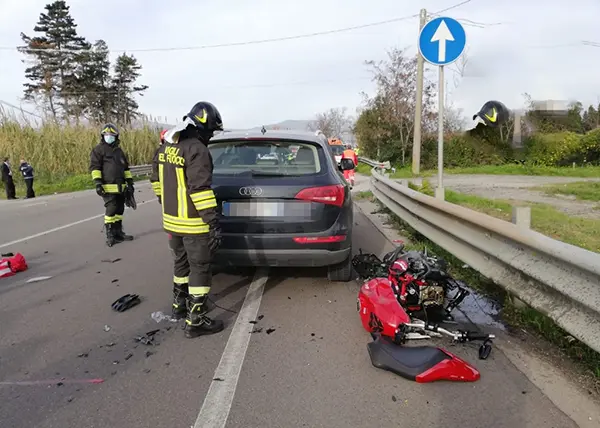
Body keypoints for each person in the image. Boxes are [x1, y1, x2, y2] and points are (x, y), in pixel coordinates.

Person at [150, 101, 224, 338]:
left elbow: (155, 181)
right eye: (211, 131)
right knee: (200, 268)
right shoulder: (196, 150)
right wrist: (212, 224)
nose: (211, 135)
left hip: (171, 221)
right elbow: (200, 190)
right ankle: (196, 320)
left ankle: (179, 305)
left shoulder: (165, 147)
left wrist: (167, 204)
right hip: (193, 223)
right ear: (203, 127)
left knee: (180, 265)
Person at [89, 123, 135, 247]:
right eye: (106, 135)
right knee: (112, 208)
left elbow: (125, 168)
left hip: (121, 187)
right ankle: (110, 235)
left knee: (120, 209)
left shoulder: (119, 151)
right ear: (102, 136)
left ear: (116, 136)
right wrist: (98, 183)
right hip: (107, 187)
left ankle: (118, 233)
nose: (109, 137)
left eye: (112, 135)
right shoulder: (98, 150)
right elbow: (95, 168)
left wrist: (130, 183)